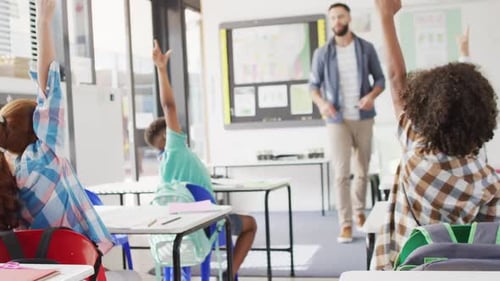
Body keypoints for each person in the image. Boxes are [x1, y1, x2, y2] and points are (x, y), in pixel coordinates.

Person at [372, 0, 500, 270]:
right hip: (464, 273)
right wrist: (465, 54)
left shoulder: (415, 153)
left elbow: (396, 80)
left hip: (407, 269)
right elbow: (487, 241)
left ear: (426, 112)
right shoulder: (488, 182)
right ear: (482, 117)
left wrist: (385, 15)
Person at [0, 0, 113, 253]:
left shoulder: (7, 179)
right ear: (38, 127)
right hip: (82, 267)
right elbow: (49, 89)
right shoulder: (45, 155)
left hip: (41, 271)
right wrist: (43, 21)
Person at [144, 40, 257, 280]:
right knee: (250, 224)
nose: (179, 128)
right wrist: (161, 69)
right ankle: (231, 273)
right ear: (168, 135)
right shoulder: (176, 148)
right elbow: (169, 106)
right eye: (174, 129)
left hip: (179, 231)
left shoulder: (164, 166)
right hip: (206, 227)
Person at [309, 2, 385, 243]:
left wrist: (371, 97)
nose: (336, 22)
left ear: (349, 18)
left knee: (362, 171)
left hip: (363, 118)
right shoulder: (322, 53)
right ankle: (345, 224)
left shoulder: (366, 48)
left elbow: (381, 79)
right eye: (332, 18)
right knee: (341, 173)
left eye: (340, 17)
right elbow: (313, 86)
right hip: (336, 120)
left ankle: (359, 213)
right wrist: (322, 104)